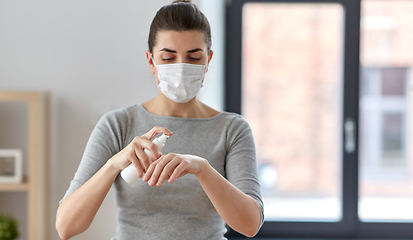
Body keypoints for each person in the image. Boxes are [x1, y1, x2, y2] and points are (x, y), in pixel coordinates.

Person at [56, 1, 264, 239]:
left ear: (208, 60)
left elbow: (250, 224)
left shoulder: (232, 129)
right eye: (168, 58)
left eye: (194, 58)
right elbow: (66, 227)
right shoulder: (117, 125)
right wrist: (114, 163)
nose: (181, 68)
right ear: (151, 61)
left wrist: (203, 169)